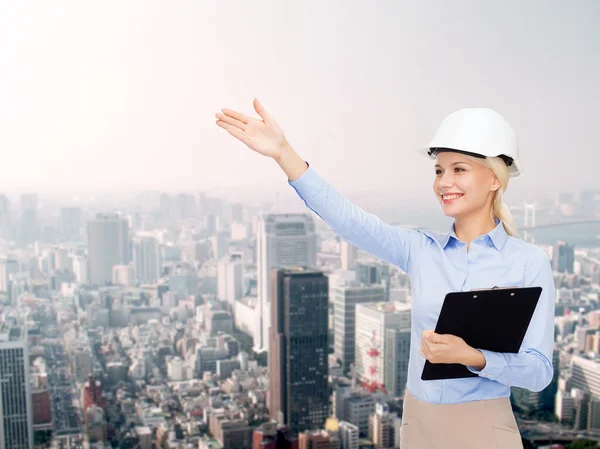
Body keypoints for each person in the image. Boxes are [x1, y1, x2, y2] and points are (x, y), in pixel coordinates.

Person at [215, 99, 555, 449]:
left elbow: (539, 371)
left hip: (485, 427)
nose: (443, 182)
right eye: (439, 171)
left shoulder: (528, 262)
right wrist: (283, 153)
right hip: (419, 424)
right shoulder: (420, 250)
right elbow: (349, 219)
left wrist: (473, 357)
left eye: (459, 169)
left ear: (495, 179)